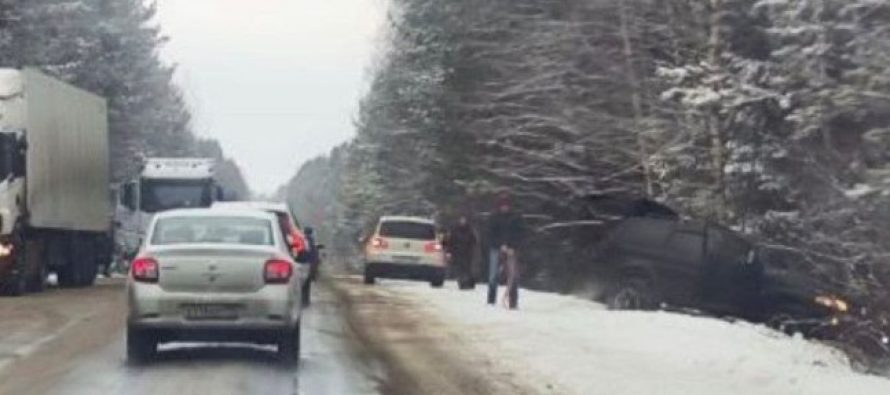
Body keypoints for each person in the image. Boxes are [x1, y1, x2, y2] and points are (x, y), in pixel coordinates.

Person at [487, 193, 524, 309]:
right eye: (502, 205)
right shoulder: (494, 217)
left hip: (512, 249)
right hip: (496, 248)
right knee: (493, 274)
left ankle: (513, 302)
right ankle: (491, 301)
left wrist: (513, 247)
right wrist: (500, 245)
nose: (504, 207)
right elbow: (490, 234)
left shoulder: (516, 218)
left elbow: (520, 234)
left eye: (506, 205)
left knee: (513, 275)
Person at [444, 214, 478, 290]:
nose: (462, 221)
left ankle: (469, 283)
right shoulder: (454, 230)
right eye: (461, 220)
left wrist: (472, 250)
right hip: (457, 252)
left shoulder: (470, 230)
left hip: (467, 253)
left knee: (467, 269)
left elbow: (474, 241)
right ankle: (462, 283)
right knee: (459, 269)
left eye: (464, 220)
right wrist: (449, 252)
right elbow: (450, 242)